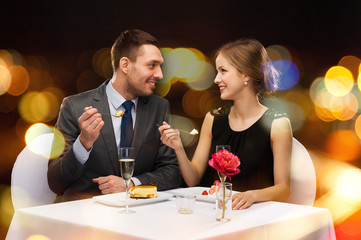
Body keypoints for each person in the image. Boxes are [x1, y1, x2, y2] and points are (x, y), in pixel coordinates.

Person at [48, 29, 182, 202]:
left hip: (141, 217)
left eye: (160, 66)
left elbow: (172, 173)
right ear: (125, 65)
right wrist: (84, 143)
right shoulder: (74, 106)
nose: (160, 75)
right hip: (85, 219)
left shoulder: (159, 106)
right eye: (152, 65)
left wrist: (132, 185)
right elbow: (55, 182)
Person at [159, 38, 293, 210]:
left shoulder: (277, 124)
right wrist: (177, 147)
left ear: (246, 74)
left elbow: (284, 189)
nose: (216, 79)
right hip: (212, 213)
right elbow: (193, 180)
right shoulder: (213, 118)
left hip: (253, 217)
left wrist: (251, 195)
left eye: (223, 71)